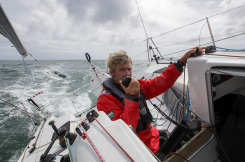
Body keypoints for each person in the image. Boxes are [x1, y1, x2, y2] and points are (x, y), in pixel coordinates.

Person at [97, 47, 204, 154]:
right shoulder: (105, 100)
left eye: (129, 69)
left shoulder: (136, 85)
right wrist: (132, 98)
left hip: (152, 136)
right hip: (140, 147)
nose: (127, 74)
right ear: (111, 72)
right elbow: (124, 131)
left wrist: (181, 62)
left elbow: (159, 83)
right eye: (122, 70)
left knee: (186, 135)